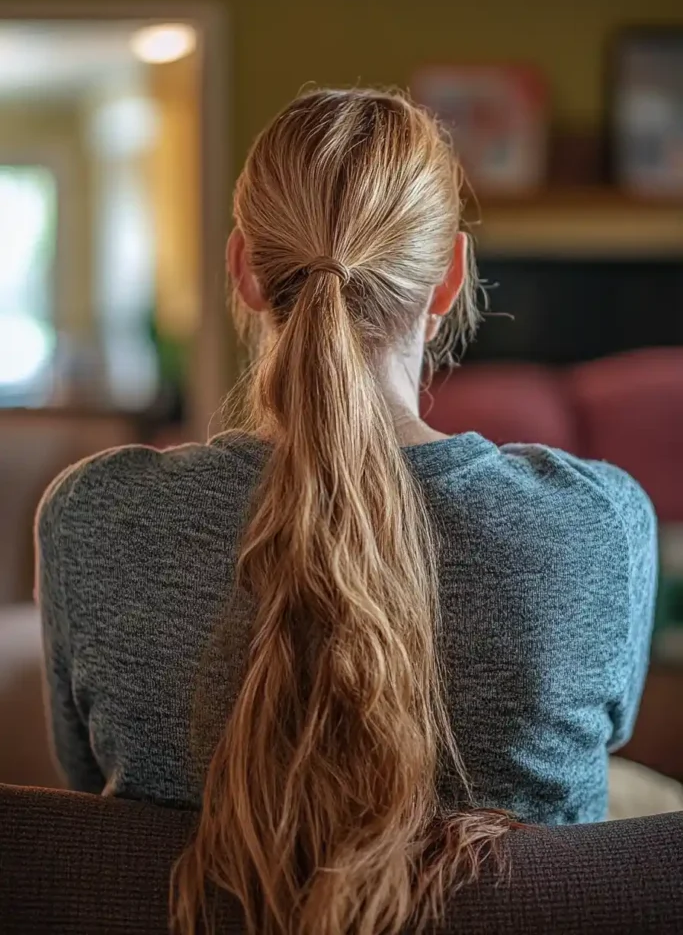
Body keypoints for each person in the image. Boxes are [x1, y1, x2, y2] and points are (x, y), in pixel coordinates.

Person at [37, 89, 657, 935]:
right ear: (449, 277)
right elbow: (609, 735)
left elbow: (87, 785)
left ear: (244, 270)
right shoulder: (595, 522)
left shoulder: (93, 514)